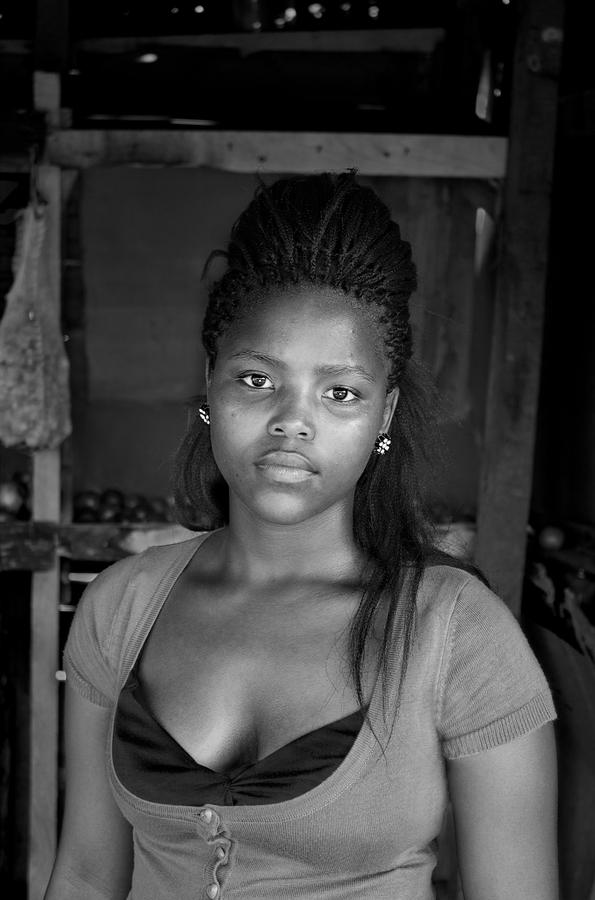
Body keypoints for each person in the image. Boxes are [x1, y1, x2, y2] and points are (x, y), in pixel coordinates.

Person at [44, 172, 558, 900]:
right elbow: (87, 877)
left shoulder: (457, 634)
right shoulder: (121, 607)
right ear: (210, 383)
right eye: (257, 380)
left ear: (384, 415)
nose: (292, 420)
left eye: (339, 393)